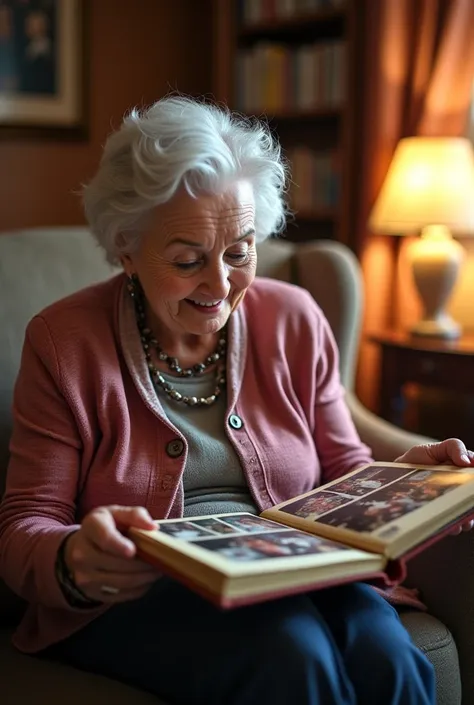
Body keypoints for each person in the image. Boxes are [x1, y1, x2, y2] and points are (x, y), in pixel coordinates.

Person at [0, 95, 473, 705]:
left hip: (298, 567)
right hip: (148, 597)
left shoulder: (295, 318)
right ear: (126, 248)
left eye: (239, 251)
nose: (221, 286)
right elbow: (22, 527)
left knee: (393, 662)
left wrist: (404, 487)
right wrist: (74, 558)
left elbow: (345, 469)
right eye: (187, 260)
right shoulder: (64, 342)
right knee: (293, 659)